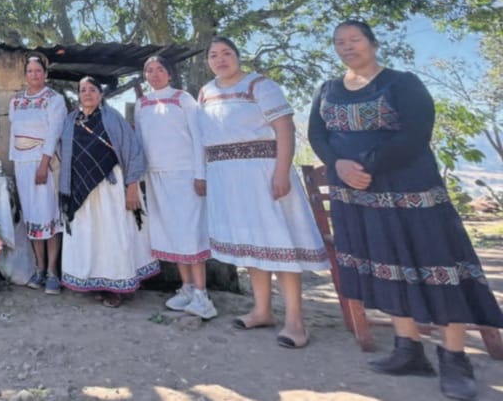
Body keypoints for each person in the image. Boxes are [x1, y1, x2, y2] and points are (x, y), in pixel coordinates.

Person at [309, 20, 503, 400]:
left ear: (373, 43)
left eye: (354, 40)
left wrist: (368, 164)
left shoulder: (402, 83)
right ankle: (407, 347)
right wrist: (338, 165)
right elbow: (318, 135)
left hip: (409, 189)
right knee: (383, 264)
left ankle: (453, 356)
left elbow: (416, 133)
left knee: (436, 265)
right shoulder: (327, 90)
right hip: (356, 196)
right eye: (339, 42)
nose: (347, 47)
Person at [197, 37, 328, 348]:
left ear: (238, 57)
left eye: (227, 53)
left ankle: (295, 320)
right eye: (214, 55)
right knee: (252, 245)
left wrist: (281, 172)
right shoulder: (205, 92)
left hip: (262, 172)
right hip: (227, 177)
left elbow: (285, 128)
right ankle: (262, 310)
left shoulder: (260, 85)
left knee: (278, 242)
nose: (220, 59)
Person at [57, 76, 160, 308]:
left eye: (92, 89)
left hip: (110, 188)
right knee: (90, 236)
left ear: (100, 94)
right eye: (82, 90)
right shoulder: (71, 120)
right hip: (80, 189)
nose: (87, 94)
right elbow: (63, 150)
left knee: (111, 235)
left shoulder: (113, 119)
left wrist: (132, 185)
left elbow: (133, 150)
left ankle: (117, 285)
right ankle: (94, 280)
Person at [133, 56, 214, 319]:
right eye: (149, 70)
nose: (155, 74)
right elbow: (140, 142)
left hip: (185, 174)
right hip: (156, 177)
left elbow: (198, 136)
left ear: (169, 73)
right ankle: (187, 288)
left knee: (190, 232)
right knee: (170, 232)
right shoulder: (141, 104)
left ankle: (203, 295)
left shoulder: (183, 99)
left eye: (160, 69)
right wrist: (141, 177)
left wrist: (200, 175)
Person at [9, 55, 67, 294]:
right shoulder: (16, 101)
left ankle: (54, 271)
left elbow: (53, 133)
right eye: (30, 71)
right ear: (25, 74)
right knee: (32, 216)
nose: (34, 75)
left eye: (38, 71)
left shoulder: (54, 100)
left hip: (44, 162)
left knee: (48, 215)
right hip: (22, 163)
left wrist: (44, 164)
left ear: (45, 74)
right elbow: (15, 131)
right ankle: (39, 269)